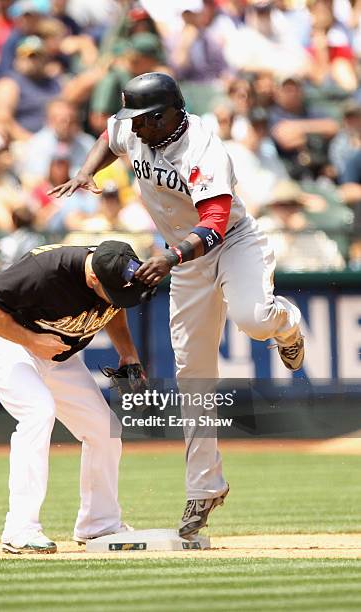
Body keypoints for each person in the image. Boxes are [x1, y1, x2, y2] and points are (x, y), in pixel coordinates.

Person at [50, 72, 305, 539]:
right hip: (182, 259)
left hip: (229, 243)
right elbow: (109, 136)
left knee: (255, 319)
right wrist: (89, 170)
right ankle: (205, 488)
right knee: (193, 375)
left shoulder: (204, 149)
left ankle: (288, 325)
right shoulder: (137, 125)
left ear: (168, 115)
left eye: (142, 119)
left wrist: (168, 258)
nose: (134, 127)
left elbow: (212, 225)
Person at [0, 240, 150, 553]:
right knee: (38, 411)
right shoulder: (48, 269)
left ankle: (99, 525)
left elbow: (114, 307)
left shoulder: (112, 272)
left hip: (56, 353)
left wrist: (128, 354)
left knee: (105, 429)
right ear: (93, 279)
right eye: (116, 292)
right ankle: (20, 529)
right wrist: (30, 339)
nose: (120, 299)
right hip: (6, 342)